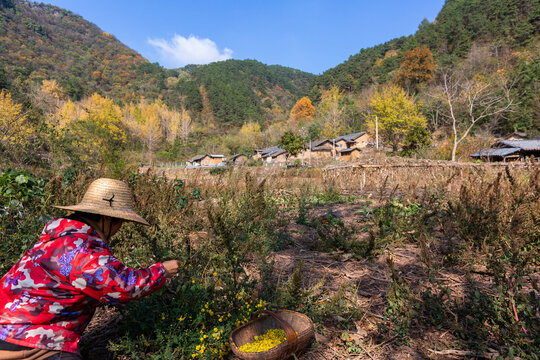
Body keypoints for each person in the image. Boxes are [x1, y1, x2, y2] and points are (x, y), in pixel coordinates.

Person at [0, 178, 180, 360]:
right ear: (107, 219)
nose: (119, 229)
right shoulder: (82, 249)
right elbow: (123, 287)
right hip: (27, 338)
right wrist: (162, 271)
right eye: (120, 223)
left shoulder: (56, 238)